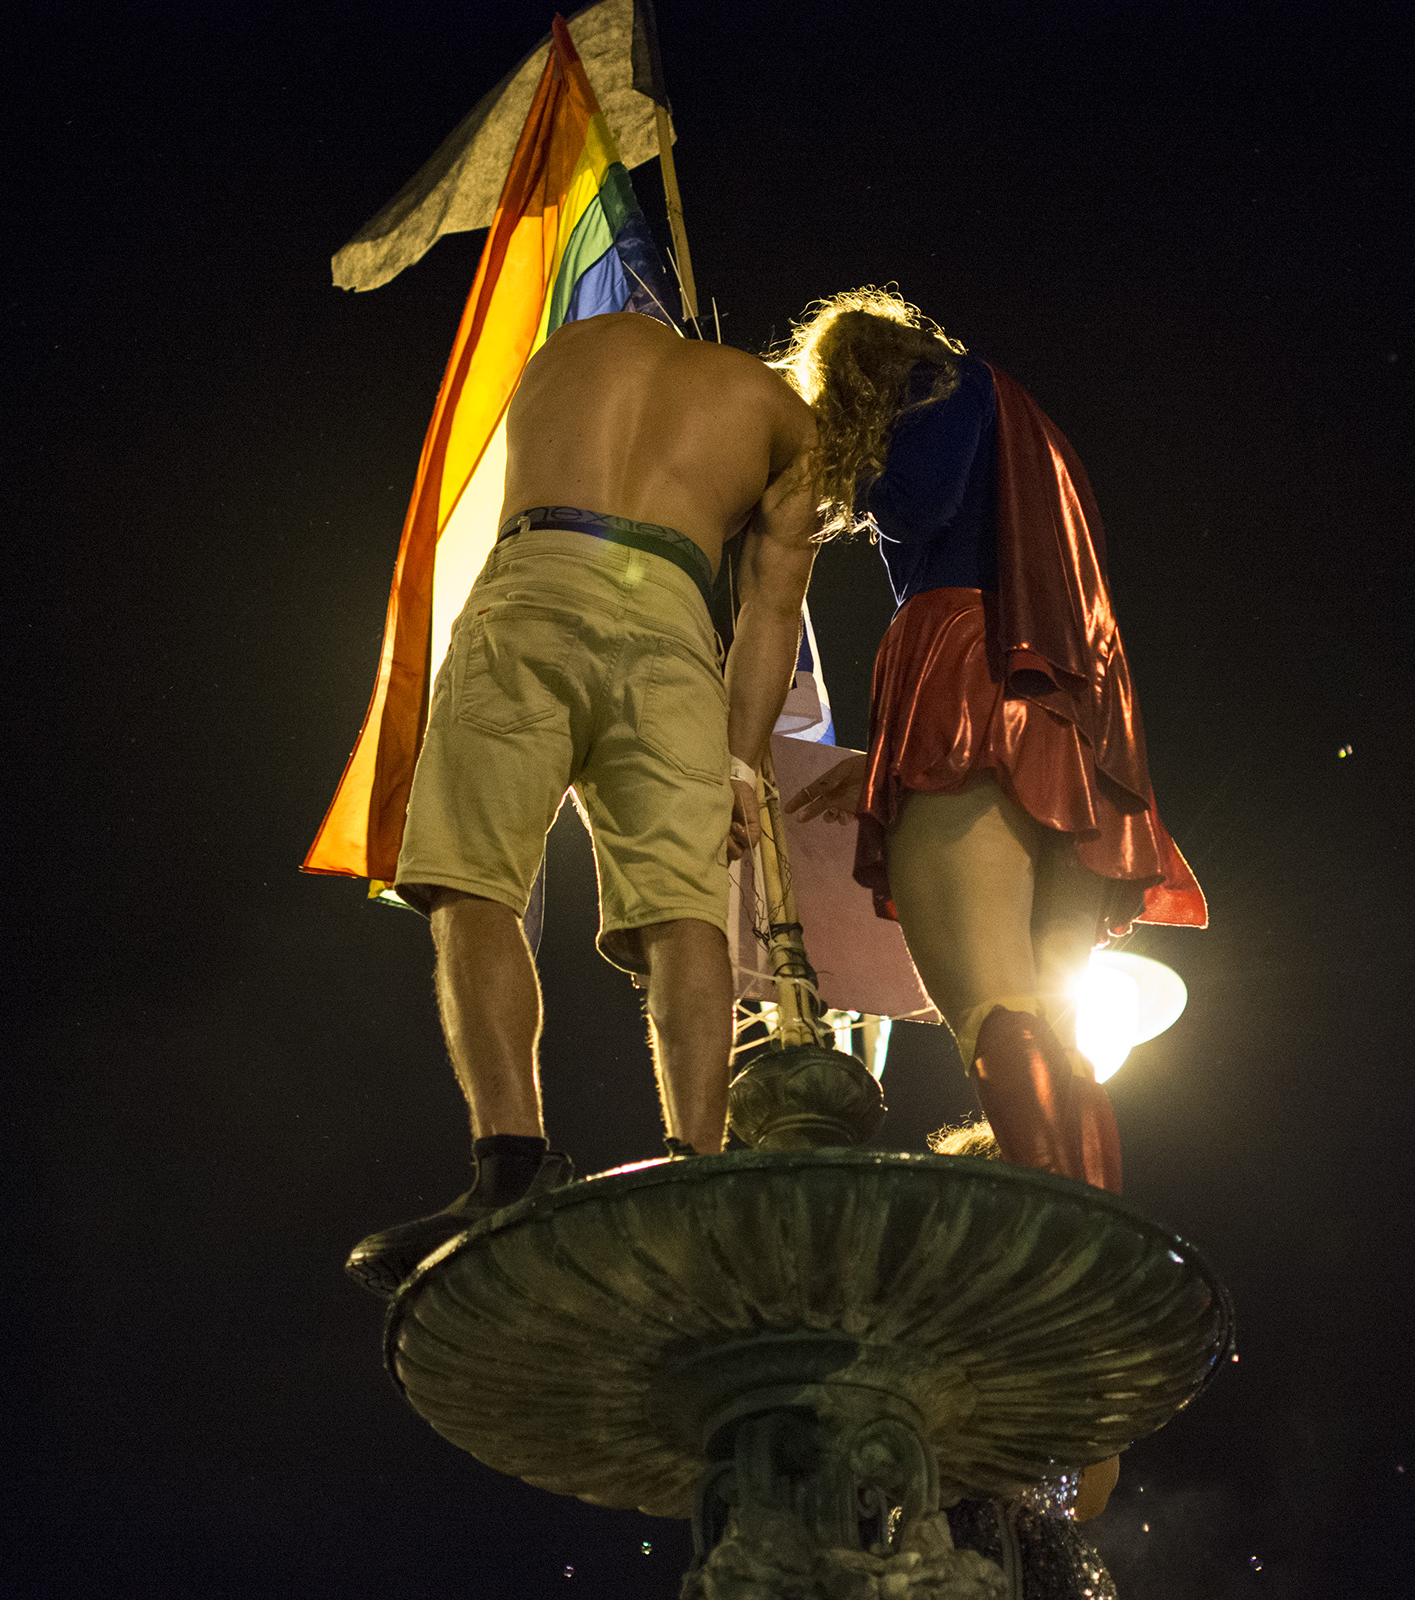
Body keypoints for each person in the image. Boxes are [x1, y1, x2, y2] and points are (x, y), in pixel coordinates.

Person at [780, 291, 1206, 1516]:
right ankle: (1100, 1290)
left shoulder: (939, 396)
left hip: (962, 665)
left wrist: (817, 471)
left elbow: (920, 505)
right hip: (1056, 699)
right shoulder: (1017, 415)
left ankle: (1071, 1306)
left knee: (991, 1012)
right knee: (1052, 1023)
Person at [344, 311, 821, 1297]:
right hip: (673, 619)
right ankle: (696, 1176)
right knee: (685, 910)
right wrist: (739, 769)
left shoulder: (567, 344)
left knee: (474, 883)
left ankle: (509, 1167)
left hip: (535, 581)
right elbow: (772, 613)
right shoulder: (782, 413)